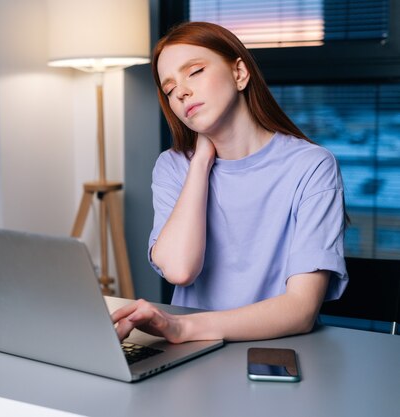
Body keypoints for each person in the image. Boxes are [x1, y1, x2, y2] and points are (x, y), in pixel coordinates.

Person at [112, 22, 348, 343]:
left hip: (274, 350)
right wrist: (201, 163)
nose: (180, 91)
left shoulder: (311, 166)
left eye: (194, 72)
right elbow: (181, 270)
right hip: (192, 353)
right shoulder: (173, 166)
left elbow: (301, 309)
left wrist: (183, 328)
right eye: (169, 89)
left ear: (239, 73)